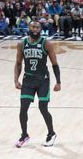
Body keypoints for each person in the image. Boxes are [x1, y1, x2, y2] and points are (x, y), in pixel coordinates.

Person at [14, 20, 60, 148]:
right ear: (29, 27)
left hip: (42, 80)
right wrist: (16, 80)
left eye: (38, 27)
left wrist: (58, 82)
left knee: (43, 108)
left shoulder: (46, 44)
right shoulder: (22, 44)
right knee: (23, 108)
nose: (35, 29)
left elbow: (55, 64)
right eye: (33, 26)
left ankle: (51, 133)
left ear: (40, 29)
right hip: (28, 80)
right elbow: (18, 63)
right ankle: (24, 135)